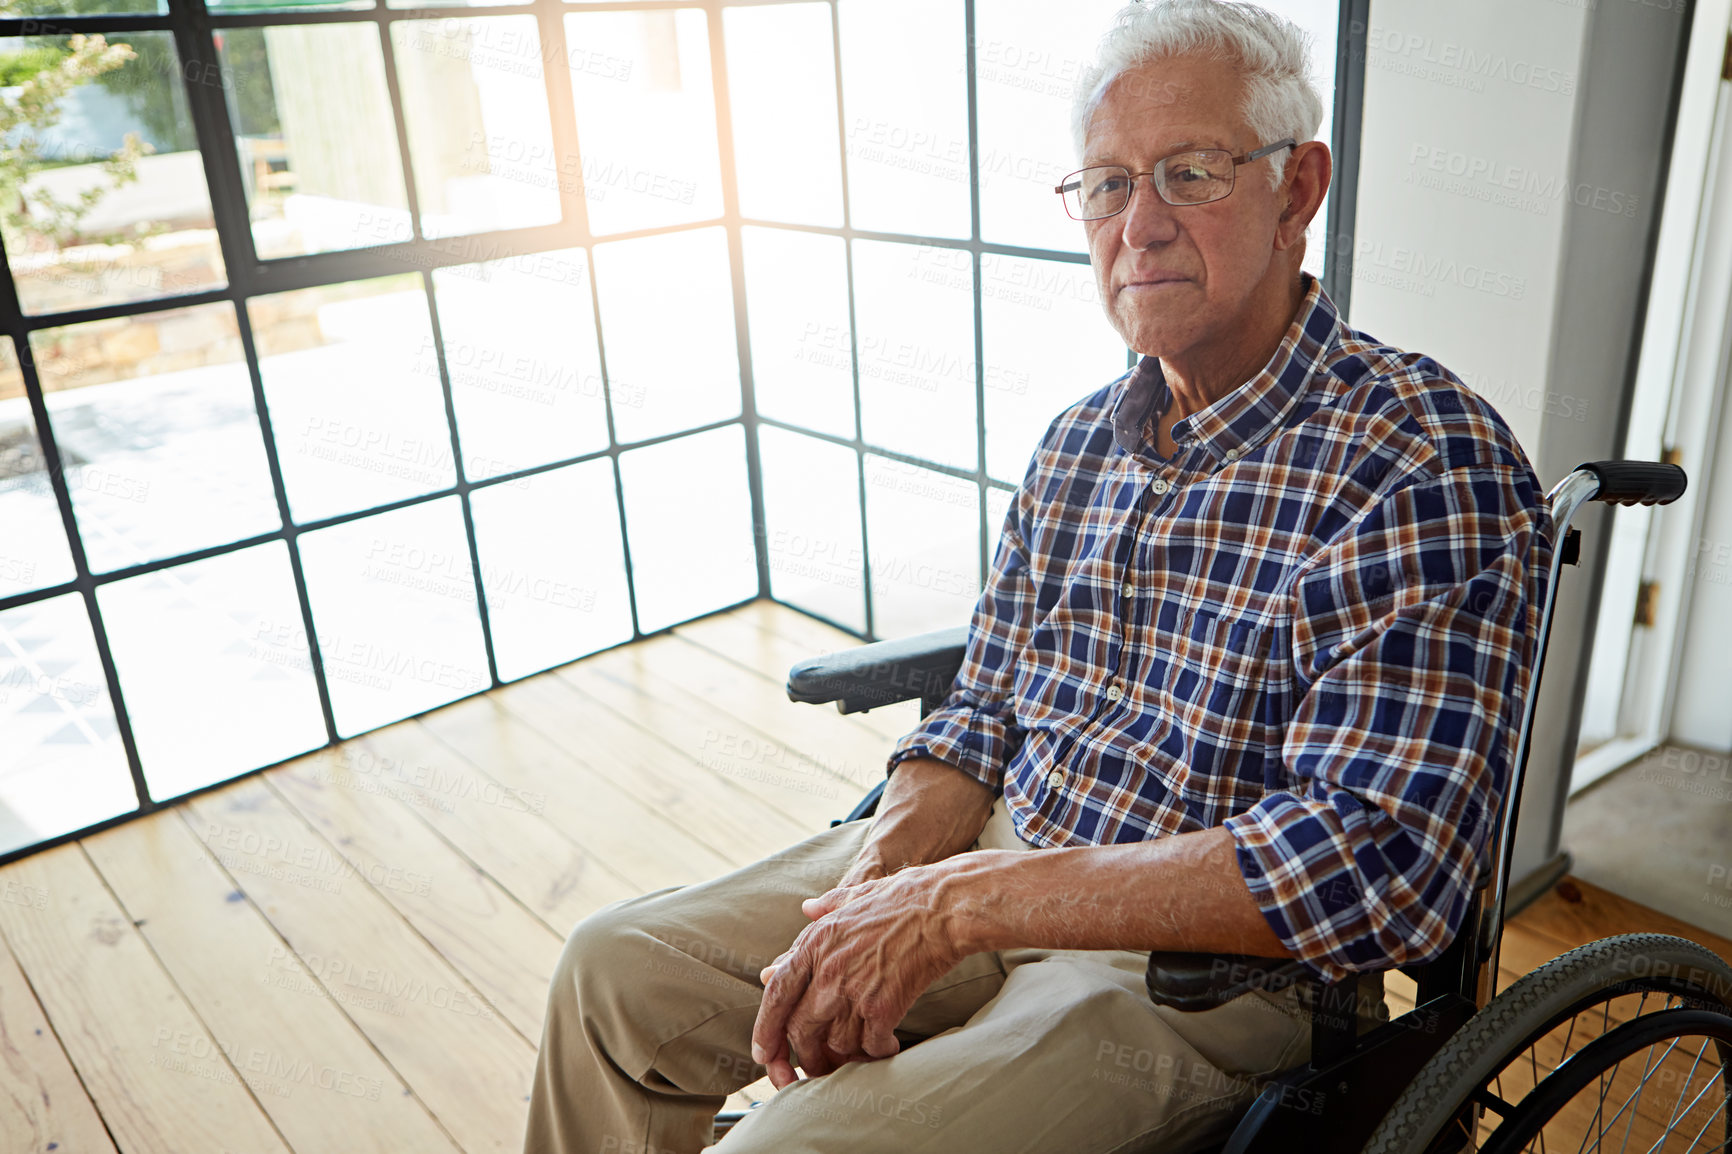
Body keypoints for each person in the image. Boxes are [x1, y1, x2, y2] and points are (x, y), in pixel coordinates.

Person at [523, 1, 1553, 1151]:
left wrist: (957, 902)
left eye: (1193, 173)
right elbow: (984, 706)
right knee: (612, 971)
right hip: (993, 853)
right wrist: (873, 892)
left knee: (787, 1146)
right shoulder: (1078, 441)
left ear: (1296, 192)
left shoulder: (1420, 460)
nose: (1142, 224)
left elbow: (1372, 868)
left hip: (1198, 982)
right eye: (1107, 186)